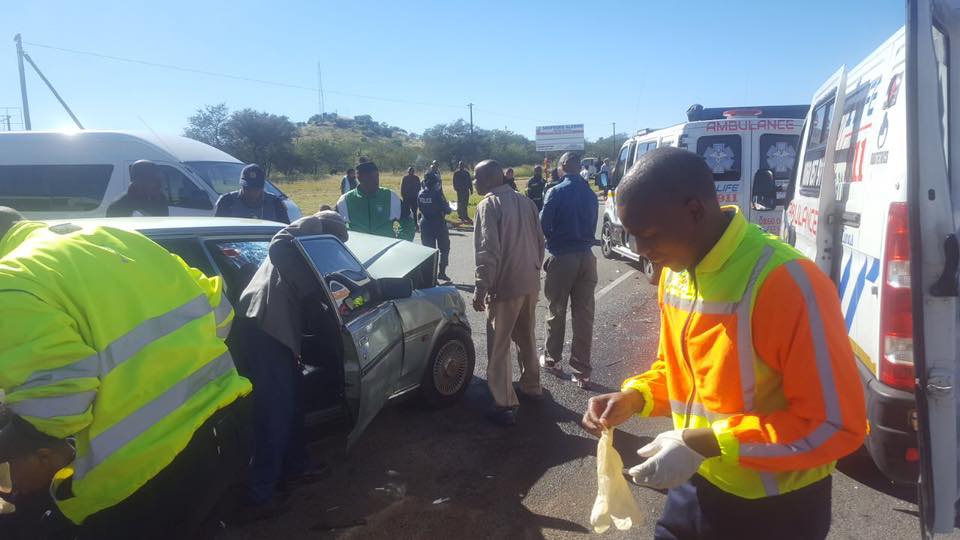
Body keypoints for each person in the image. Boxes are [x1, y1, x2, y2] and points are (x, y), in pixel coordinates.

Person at [581, 147, 867, 539]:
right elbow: (679, 373)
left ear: (695, 211)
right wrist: (634, 397)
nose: (641, 250)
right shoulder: (676, 273)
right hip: (695, 482)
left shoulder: (788, 283)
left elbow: (835, 425)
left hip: (775, 510)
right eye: (632, 235)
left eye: (647, 235)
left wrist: (709, 442)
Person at [0, 206, 252, 539]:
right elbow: (219, 314)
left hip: (142, 477)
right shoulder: (120, 239)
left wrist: (11, 444)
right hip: (223, 431)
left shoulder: (10, 280)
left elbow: (59, 403)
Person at [236, 211, 347, 518]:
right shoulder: (308, 228)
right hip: (268, 329)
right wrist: (313, 296)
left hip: (278, 332)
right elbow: (278, 244)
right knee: (276, 412)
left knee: (294, 402)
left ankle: (297, 466)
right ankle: (258, 496)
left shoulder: (302, 250)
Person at [472, 160, 545, 426]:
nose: (474, 183)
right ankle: (531, 386)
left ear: (489, 179)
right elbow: (540, 241)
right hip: (529, 282)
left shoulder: (487, 206)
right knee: (526, 337)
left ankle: (503, 402)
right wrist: (534, 270)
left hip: (505, 286)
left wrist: (481, 287)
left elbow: (487, 251)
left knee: (499, 346)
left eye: (476, 178)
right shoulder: (526, 202)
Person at [539, 152, 599, 389]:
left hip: (563, 256)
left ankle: (552, 360)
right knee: (584, 316)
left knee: (556, 310)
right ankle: (581, 372)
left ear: (563, 166)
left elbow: (543, 225)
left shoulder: (555, 191)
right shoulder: (590, 194)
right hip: (587, 257)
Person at [335, 160, 414, 240]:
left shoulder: (390, 196)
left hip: (387, 250)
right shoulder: (345, 200)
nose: (376, 180)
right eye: (370, 177)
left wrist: (403, 239)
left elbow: (408, 219)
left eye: (377, 176)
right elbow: (334, 226)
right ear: (360, 178)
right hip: (358, 251)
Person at [215, 164, 290, 223]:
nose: (252, 193)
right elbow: (218, 232)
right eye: (247, 188)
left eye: (256, 189)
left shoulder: (275, 203)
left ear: (262, 187)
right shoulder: (227, 202)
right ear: (241, 185)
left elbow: (285, 233)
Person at [105, 159, 170, 218]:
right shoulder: (119, 206)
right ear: (138, 181)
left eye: (159, 180)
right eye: (154, 180)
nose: (159, 185)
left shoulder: (160, 199)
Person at [418, 172, 452, 281]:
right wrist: (449, 207)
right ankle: (441, 273)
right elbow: (447, 210)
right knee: (444, 249)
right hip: (438, 224)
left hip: (425, 223)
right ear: (435, 182)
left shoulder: (420, 193)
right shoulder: (438, 194)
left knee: (429, 252)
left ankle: (430, 277)